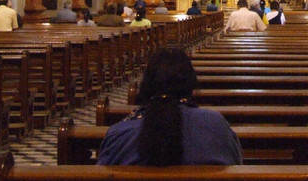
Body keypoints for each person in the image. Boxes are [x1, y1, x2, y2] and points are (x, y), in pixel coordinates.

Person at [97, 48, 242, 166]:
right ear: (190, 84)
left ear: (147, 85)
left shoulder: (120, 134)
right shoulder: (216, 126)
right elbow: (235, 164)